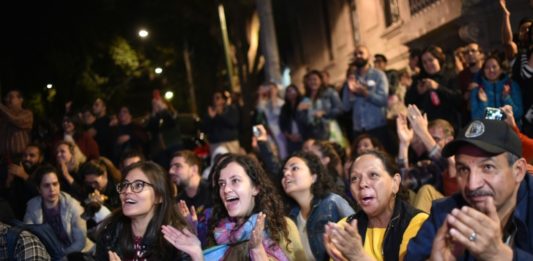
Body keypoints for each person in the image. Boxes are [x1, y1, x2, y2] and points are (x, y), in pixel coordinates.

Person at [406, 119, 533, 260]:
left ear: (518, 171)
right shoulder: (445, 213)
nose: (472, 185)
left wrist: (502, 256)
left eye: (487, 167)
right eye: (463, 169)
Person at [162, 154, 305, 260]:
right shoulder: (219, 232)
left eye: (235, 181)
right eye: (222, 183)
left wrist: (257, 251)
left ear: (255, 188)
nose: (226, 189)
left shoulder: (282, 227)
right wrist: (196, 252)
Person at [324, 150, 428, 261]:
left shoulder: (420, 224)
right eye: (354, 178)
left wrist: (358, 256)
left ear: (395, 182)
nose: (362, 184)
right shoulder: (345, 228)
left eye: (373, 175)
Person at [95, 161, 189, 260]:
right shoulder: (110, 235)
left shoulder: (177, 239)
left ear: (159, 196)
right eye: (125, 185)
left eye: (138, 185)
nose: (127, 191)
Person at [281, 151, 355, 260]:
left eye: (294, 168)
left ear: (313, 177)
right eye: (284, 172)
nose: (286, 174)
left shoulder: (332, 202)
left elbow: (360, 236)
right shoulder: (291, 217)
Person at [24, 165, 93, 255]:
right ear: (39, 189)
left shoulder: (73, 206)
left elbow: (80, 243)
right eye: (46, 185)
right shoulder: (32, 206)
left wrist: (61, 257)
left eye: (55, 184)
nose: (52, 189)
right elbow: (27, 237)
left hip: (77, 253)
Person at [342, 46, 390, 153]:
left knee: (382, 158)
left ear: (369, 56)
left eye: (361, 53)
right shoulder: (351, 79)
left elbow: (383, 100)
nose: (358, 56)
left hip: (377, 127)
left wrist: (365, 93)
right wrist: (350, 91)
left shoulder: (378, 75)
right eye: (355, 54)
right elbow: (345, 107)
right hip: (359, 130)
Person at [169, 150, 212, 247]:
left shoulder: (213, 192)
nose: (171, 171)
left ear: (194, 170)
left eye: (177, 166)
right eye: (171, 167)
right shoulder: (176, 201)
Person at [470, 54, 523, 125]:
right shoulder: (477, 90)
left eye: (494, 67)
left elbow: (518, 114)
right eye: (487, 67)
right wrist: (483, 103)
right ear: (483, 71)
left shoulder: (512, 85)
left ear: (500, 69)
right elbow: (476, 118)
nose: (491, 70)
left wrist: (506, 98)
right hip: (488, 133)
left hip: (510, 133)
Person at [298, 70, 344, 142]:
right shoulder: (305, 99)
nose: (313, 82)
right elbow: (301, 118)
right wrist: (302, 112)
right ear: (307, 82)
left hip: (329, 130)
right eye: (310, 80)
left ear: (320, 81)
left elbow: (340, 109)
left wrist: (324, 113)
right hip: (312, 134)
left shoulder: (330, 92)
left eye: (315, 79)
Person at [0, 89, 33, 161]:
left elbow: (16, 120)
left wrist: (1, 107)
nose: (7, 100)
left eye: (11, 97)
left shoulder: (27, 113)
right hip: (3, 158)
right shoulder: (3, 115)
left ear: (21, 100)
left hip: (20, 157)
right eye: (6, 97)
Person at [279, 84, 305, 155]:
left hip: (304, 137)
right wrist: (289, 136)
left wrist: (302, 135)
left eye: (292, 90)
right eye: (288, 91)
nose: (290, 93)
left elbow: (307, 120)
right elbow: (282, 124)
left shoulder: (304, 102)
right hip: (291, 138)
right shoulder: (284, 108)